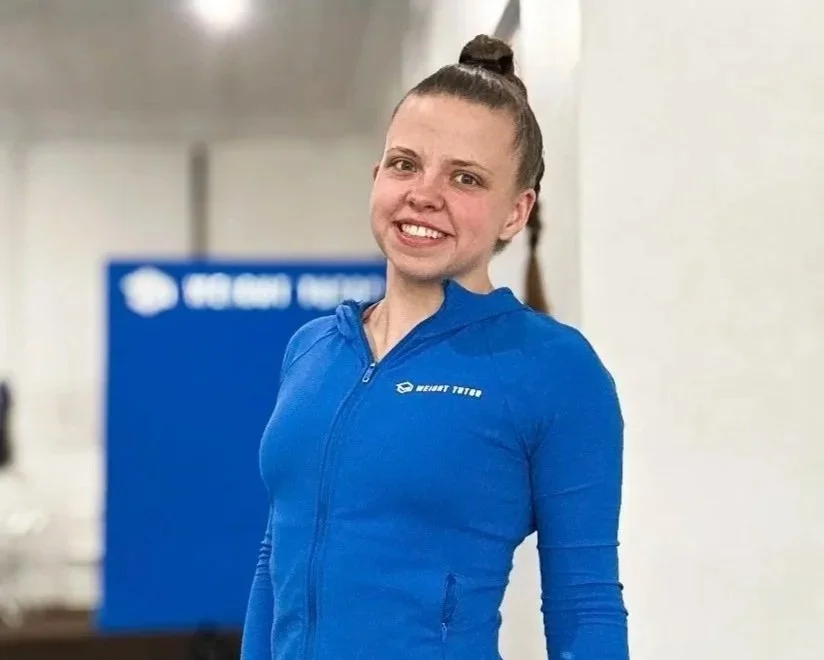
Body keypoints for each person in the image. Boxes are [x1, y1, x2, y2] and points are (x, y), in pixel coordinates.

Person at [241, 34, 628, 660]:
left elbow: (585, 604)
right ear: (376, 177)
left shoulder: (553, 370)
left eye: (465, 177)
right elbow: (274, 563)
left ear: (515, 212)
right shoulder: (312, 350)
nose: (423, 193)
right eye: (404, 164)